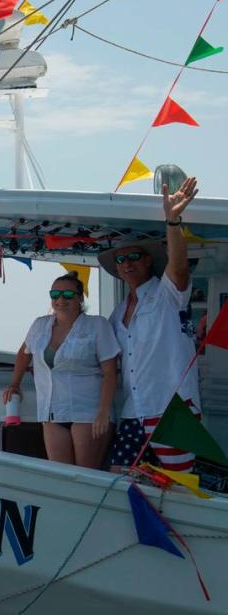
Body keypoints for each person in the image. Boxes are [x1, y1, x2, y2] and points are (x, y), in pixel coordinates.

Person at [98, 177, 201, 472]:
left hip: (173, 410)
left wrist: (173, 222)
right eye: (120, 260)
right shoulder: (117, 314)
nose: (126, 263)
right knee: (117, 478)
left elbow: (178, 267)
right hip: (134, 411)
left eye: (133, 256)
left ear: (148, 262)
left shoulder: (167, 294)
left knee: (179, 487)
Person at [2, 273, 120, 469]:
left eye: (67, 294)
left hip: (88, 411)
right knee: (61, 476)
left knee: (86, 476)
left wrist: (104, 410)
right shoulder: (40, 325)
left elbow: (110, 371)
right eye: (55, 294)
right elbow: (24, 353)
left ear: (80, 298)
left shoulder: (97, 325)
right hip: (52, 411)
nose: (60, 300)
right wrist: (15, 384)